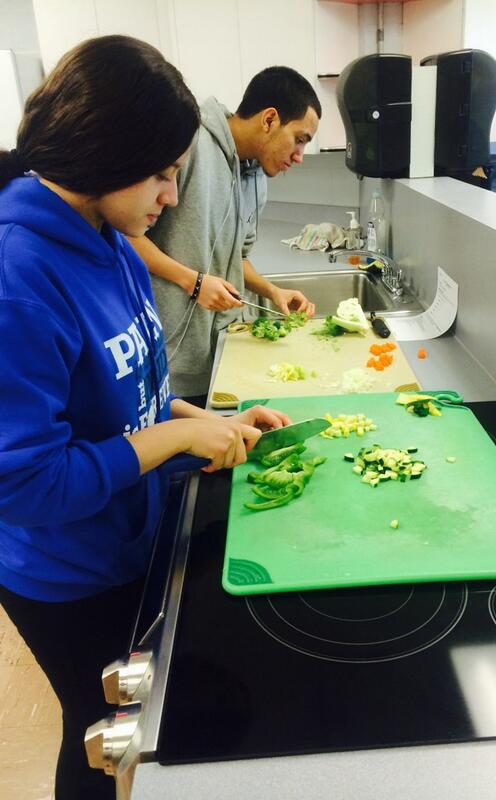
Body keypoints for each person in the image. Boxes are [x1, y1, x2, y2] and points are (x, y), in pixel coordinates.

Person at [0, 35, 289, 800]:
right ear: (106, 153)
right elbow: (24, 484)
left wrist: (213, 422)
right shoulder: (17, 274)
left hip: (128, 539)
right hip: (64, 574)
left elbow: (141, 401)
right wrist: (179, 437)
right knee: (97, 734)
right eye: (162, 174)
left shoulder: (116, 242)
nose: (169, 197)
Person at [129, 66, 322, 406]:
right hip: (172, 359)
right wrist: (194, 282)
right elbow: (126, 237)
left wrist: (271, 291)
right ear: (269, 120)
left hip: (221, 352)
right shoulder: (188, 143)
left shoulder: (257, 177)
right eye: (299, 139)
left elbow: (236, 259)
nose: (299, 156)